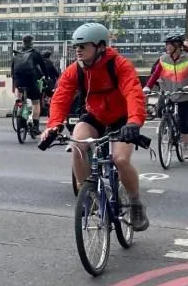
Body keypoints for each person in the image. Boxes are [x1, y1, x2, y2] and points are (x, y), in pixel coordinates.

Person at [41, 22, 150, 231]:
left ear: (100, 46)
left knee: (119, 159)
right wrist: (54, 125)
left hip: (122, 118)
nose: (78, 51)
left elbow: (133, 93)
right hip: (95, 115)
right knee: (77, 145)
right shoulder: (76, 70)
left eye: (83, 46)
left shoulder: (118, 65)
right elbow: (61, 98)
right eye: (76, 47)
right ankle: (88, 195)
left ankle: (135, 203)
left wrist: (134, 122)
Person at [143, 33, 188, 159]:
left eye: (169, 45)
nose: (167, 47)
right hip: (168, 91)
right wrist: (148, 86)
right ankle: (167, 127)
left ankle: (185, 146)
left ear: (177, 46)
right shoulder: (163, 59)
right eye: (166, 45)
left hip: (184, 93)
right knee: (163, 111)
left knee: (183, 120)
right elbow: (155, 74)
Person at [10, 35, 48, 134]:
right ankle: (35, 126)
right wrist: (46, 77)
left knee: (21, 97)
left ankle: (19, 102)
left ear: (22, 43)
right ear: (32, 43)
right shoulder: (35, 53)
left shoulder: (17, 54)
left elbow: (12, 70)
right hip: (31, 81)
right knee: (36, 102)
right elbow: (43, 67)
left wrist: (15, 81)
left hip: (19, 81)